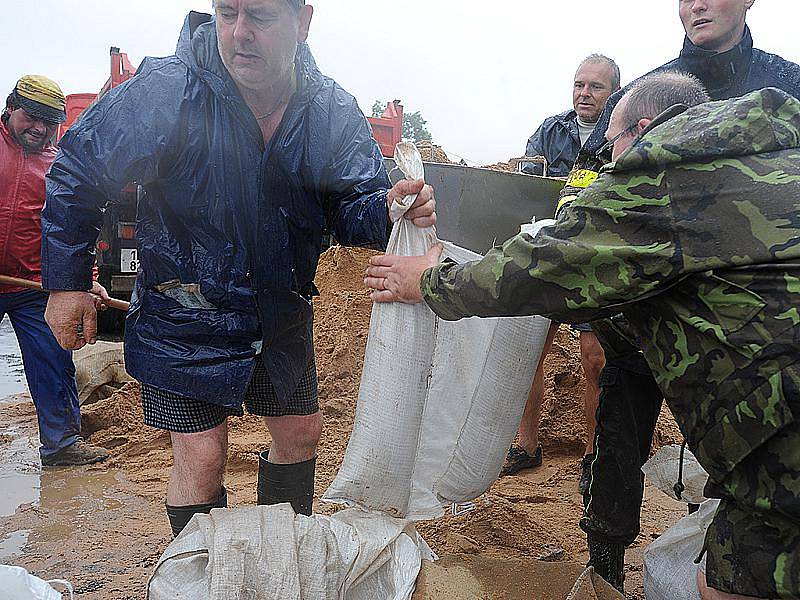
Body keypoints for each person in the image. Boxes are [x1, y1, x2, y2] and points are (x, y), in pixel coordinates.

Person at [365, 75, 800, 600]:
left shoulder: (664, 174)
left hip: (783, 430)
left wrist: (429, 280)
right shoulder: (774, 150)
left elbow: (539, 269)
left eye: (612, 146)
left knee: (731, 583)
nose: (610, 164)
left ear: (641, 130)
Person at [40, 0, 436, 537]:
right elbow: (78, 170)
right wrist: (65, 285)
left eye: (260, 17)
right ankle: (200, 577)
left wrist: (390, 206)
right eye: (227, 14)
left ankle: (282, 558)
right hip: (184, 308)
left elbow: (350, 207)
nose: (239, 33)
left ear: (303, 21)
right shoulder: (168, 90)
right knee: (203, 456)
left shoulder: (328, 110)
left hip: (278, 308)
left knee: (300, 432)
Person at [545, 0, 800, 589]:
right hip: (644, 319)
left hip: (738, 335)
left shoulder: (783, 87)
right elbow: (587, 184)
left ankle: (720, 564)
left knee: (744, 462)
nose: (698, 4)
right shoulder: (643, 92)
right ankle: (606, 555)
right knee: (618, 435)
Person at [504, 55, 619, 483]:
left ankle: (592, 455)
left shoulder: (620, 133)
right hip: (548, 256)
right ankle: (526, 445)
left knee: (595, 358)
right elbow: (527, 184)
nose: (584, 94)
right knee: (529, 351)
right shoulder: (551, 132)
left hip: (592, 263)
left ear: (613, 92)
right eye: (579, 85)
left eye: (595, 87)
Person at [0, 75, 110, 467]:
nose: (40, 129)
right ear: (11, 107)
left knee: (53, 361)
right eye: (32, 117)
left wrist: (84, 282)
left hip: (34, 286)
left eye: (50, 122)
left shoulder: (59, 167)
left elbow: (73, 230)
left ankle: (62, 444)